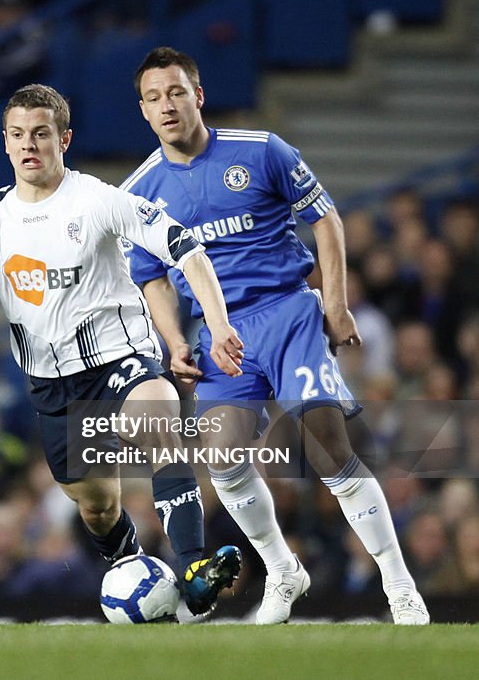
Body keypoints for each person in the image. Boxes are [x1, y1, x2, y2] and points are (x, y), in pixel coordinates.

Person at [122, 46, 429, 625]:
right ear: (143, 110)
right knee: (223, 460)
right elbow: (150, 277)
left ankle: (399, 586)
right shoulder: (139, 191)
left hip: (287, 312)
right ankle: (284, 570)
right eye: (155, 97)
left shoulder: (261, 151)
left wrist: (335, 305)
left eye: (177, 92)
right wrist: (173, 341)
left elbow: (327, 219)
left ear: (199, 95)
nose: (167, 105)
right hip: (220, 335)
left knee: (326, 447)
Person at [0, 83, 245, 616]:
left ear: (63, 139)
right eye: (18, 135)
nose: (30, 145)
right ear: (4, 143)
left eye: (41, 134)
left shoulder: (98, 200)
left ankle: (193, 570)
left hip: (120, 358)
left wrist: (217, 320)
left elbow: (185, 247)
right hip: (52, 384)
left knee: (158, 417)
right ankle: (139, 577)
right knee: (95, 506)